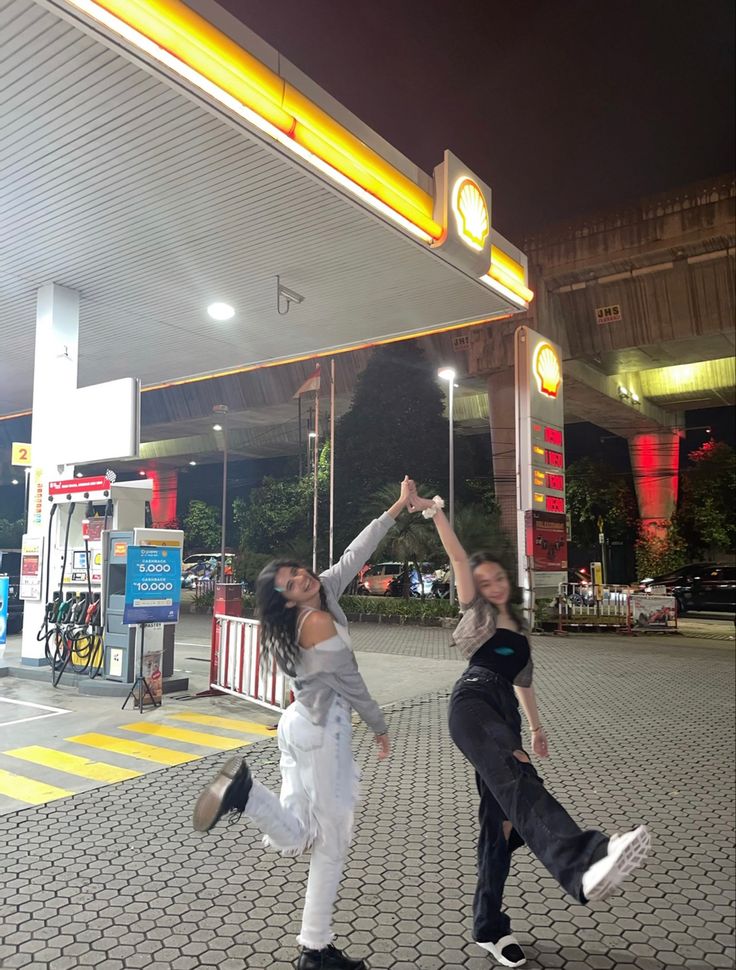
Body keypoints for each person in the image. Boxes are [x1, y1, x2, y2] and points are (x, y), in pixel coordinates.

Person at [407, 488, 650, 969]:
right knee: (518, 785)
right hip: (473, 703)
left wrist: (537, 730)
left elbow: (524, 683)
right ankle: (583, 862)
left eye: (496, 577)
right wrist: (436, 512)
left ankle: (488, 927)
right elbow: (457, 558)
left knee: (499, 826)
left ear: (507, 581)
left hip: (505, 717)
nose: (491, 584)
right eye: (483, 580)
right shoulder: (477, 615)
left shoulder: (518, 629)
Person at [192, 477, 414, 970]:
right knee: (327, 843)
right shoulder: (313, 622)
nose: (302, 581)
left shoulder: (321, 597)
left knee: (305, 834)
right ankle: (245, 796)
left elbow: (356, 553)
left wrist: (398, 505)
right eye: (291, 586)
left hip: (296, 725)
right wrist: (378, 726)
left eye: (298, 574)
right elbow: (350, 680)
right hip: (322, 732)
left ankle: (315, 947)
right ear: (287, 602)